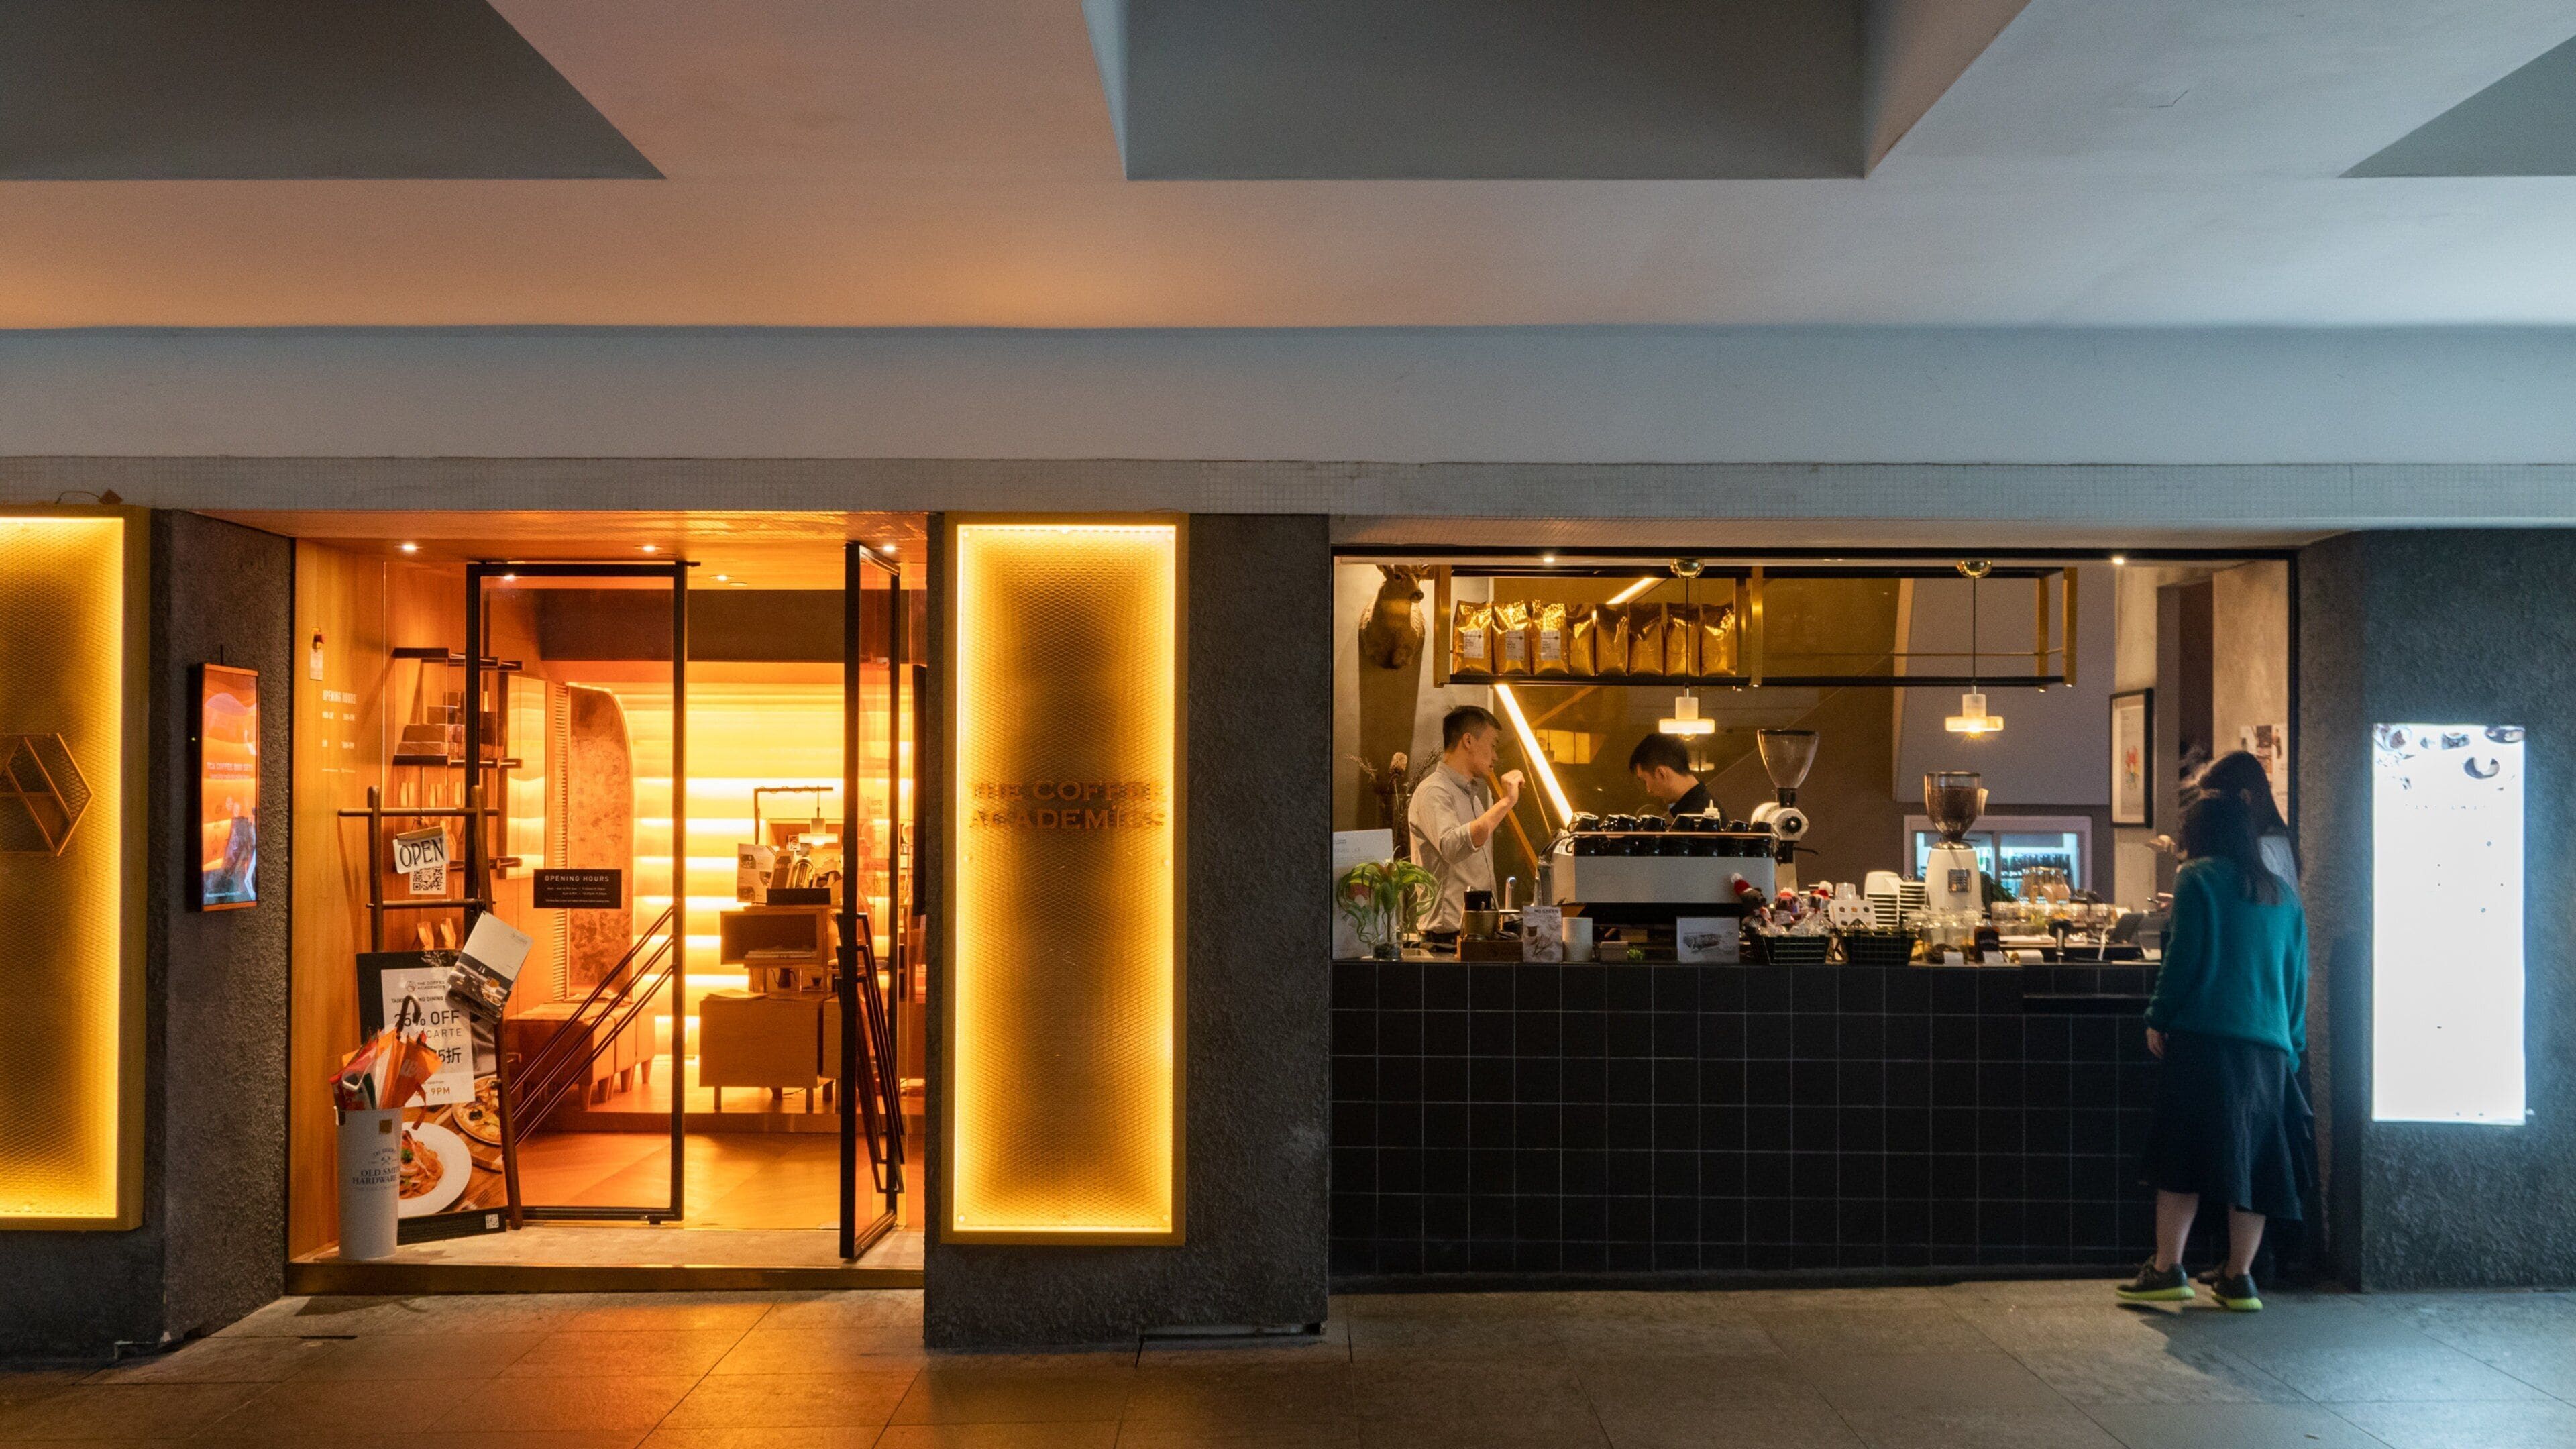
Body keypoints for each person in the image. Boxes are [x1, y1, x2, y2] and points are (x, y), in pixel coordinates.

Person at [2118, 790, 2311, 1313]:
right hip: (2268, 1047)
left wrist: (2158, 1015)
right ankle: (2239, 1278)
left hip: (2205, 1039)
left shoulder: (2197, 878)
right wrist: (2292, 1045)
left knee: (2180, 1157)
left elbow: (2184, 957)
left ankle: (2167, 1269)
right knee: (2255, 1163)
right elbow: (2297, 978)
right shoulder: (2282, 894)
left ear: (2198, 833)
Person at [1407, 705, 1525, 941]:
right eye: (1492, 745)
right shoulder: (1434, 791)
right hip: (1446, 939)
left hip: (1475, 935)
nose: (1495, 756)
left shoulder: (1472, 798)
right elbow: (1452, 846)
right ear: (1468, 741)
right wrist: (1506, 802)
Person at [2196, 751, 2296, 893]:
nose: (2208, 811)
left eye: (2214, 802)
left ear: (2245, 797)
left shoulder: (2263, 850)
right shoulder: (2276, 839)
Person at [1628, 733, 1718, 818]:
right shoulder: (1704, 806)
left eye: (1645, 781)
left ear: (1661, 773)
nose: (1649, 790)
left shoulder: (1698, 818)